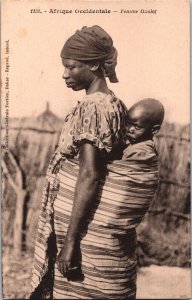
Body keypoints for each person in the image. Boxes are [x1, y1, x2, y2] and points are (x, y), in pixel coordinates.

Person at [31, 25, 129, 299]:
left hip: (84, 232)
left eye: (72, 67)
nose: (65, 74)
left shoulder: (93, 107)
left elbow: (90, 175)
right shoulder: (114, 103)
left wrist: (70, 242)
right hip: (100, 228)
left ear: (95, 64)